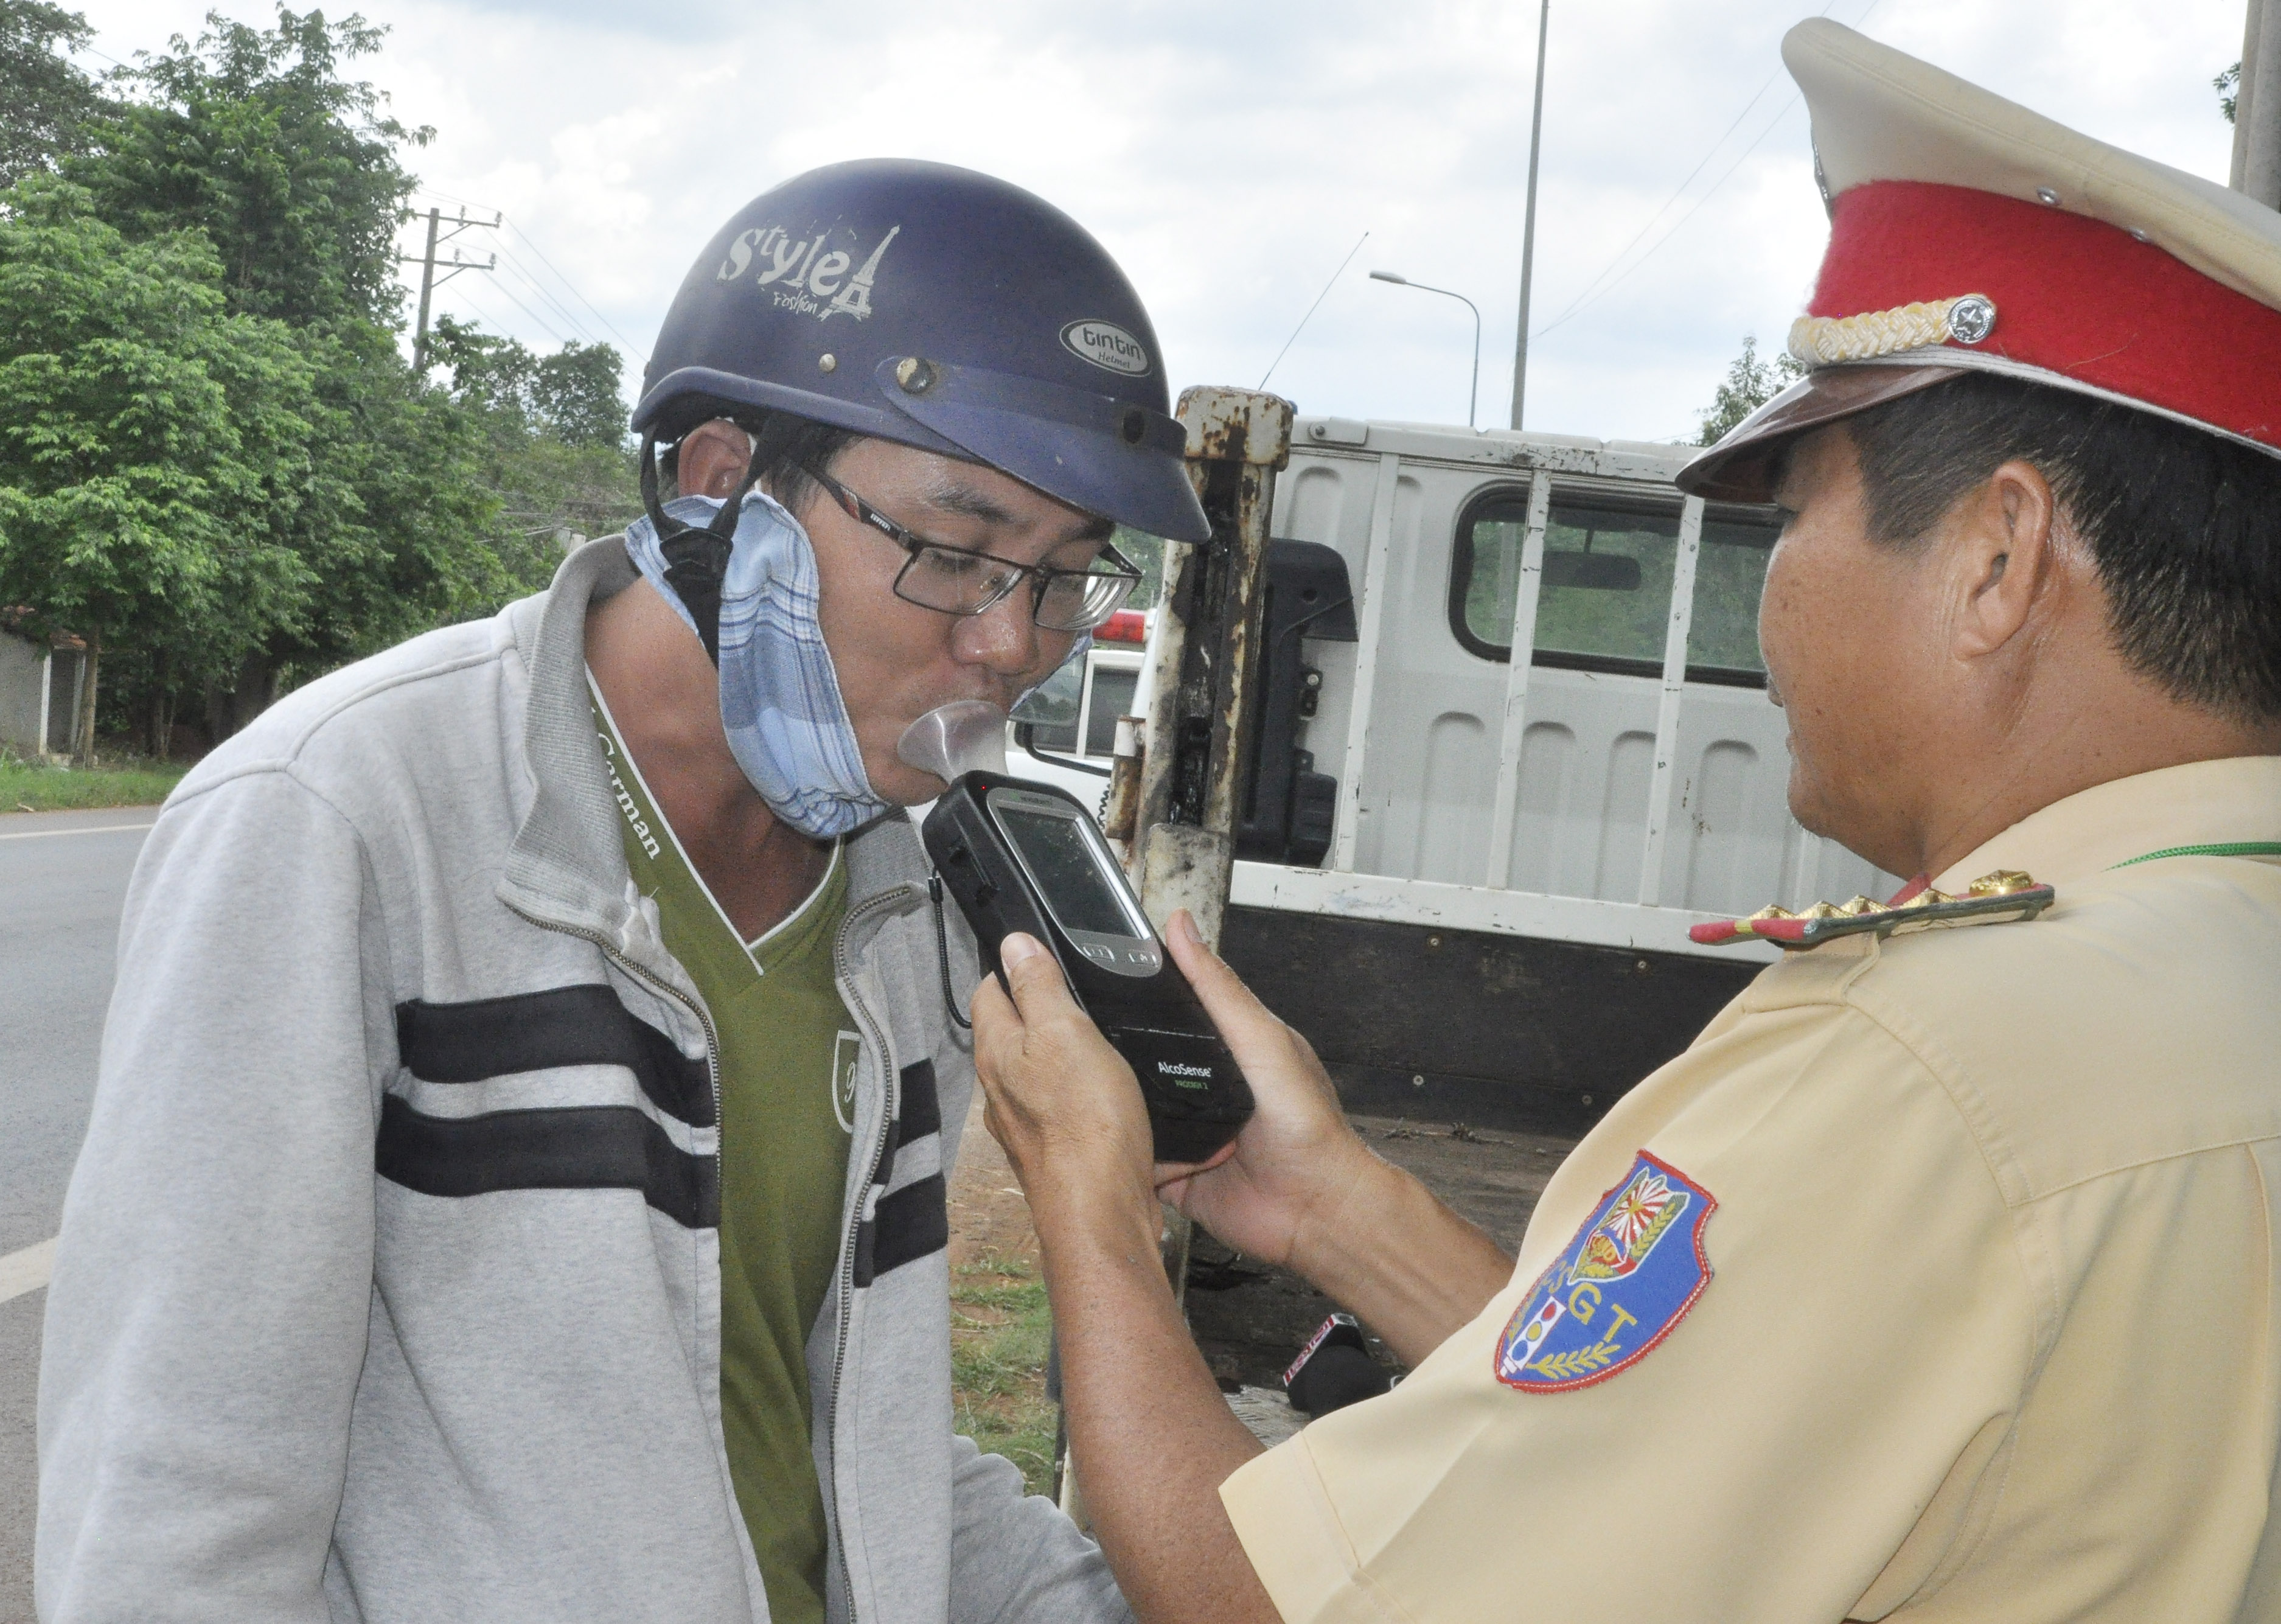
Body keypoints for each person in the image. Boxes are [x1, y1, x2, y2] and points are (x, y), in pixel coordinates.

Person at [969, 22, 2281, 1624]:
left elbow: (1272, 1602)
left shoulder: (1929, 1070)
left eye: (1791, 518)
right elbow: (1679, 1446)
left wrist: (1089, 1201)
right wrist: (1332, 1208)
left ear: (1998, 558)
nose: (1766, 603)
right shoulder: (2211, 971)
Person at [35, 158, 1208, 1624]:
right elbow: (178, 1501)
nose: (1011, 645)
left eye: (1065, 578)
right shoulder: (342, 819)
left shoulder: (906, 900)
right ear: (722, 487)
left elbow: (842, 1437)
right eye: (958, 553)